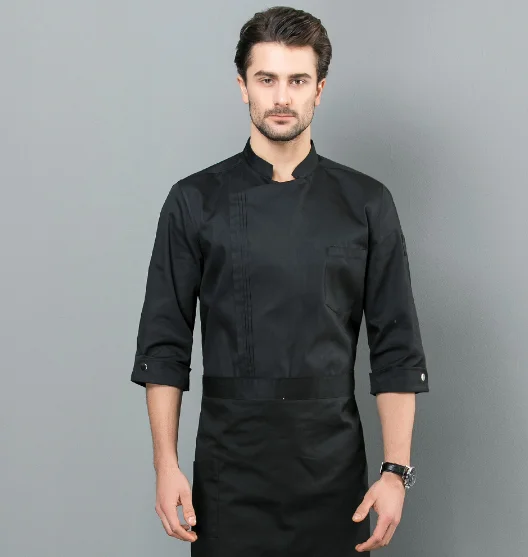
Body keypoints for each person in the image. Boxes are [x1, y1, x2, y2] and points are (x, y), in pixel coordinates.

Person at [130, 6, 429, 556]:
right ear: (242, 86)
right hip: (227, 474)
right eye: (266, 79)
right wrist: (165, 466)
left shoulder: (366, 203)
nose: (282, 97)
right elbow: (164, 346)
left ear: (320, 89)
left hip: (333, 471)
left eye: (298, 80)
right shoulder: (194, 201)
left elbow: (396, 348)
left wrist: (396, 472)